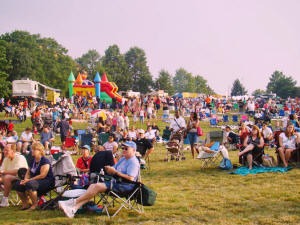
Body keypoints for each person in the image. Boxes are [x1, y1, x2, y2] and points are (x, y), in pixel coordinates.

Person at [58, 141, 140, 218]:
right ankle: (73, 209)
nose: (124, 150)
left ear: (133, 150)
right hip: (115, 182)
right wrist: (110, 169)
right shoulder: (123, 159)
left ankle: (71, 203)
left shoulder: (133, 162)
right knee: (93, 185)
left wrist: (115, 172)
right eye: (123, 148)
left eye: (126, 148)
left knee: (96, 186)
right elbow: (114, 169)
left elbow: (131, 179)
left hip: (125, 186)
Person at [14, 142, 54, 210]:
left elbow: (42, 175)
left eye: (34, 149)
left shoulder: (45, 161)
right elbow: (28, 172)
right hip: (34, 180)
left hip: (46, 181)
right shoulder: (32, 160)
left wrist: (28, 180)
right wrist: (25, 180)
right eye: (32, 149)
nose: (32, 151)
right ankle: (25, 203)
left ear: (40, 151)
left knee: (30, 184)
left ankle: (35, 204)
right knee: (18, 184)